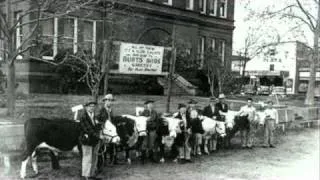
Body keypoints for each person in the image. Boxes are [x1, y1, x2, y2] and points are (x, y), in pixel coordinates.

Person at [79, 100, 102, 180]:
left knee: (94, 158)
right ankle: (85, 176)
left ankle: (92, 175)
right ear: (86, 107)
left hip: (95, 141)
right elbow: (88, 130)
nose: (92, 108)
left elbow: (97, 126)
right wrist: (99, 136)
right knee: (87, 158)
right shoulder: (83, 117)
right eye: (90, 106)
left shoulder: (94, 116)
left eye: (93, 106)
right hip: (87, 140)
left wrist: (100, 128)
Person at [97, 94, 115, 167]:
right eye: (108, 101)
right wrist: (102, 125)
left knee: (112, 144)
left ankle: (112, 160)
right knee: (103, 145)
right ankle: (103, 161)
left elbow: (112, 120)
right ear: (105, 101)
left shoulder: (111, 110)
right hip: (104, 130)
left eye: (111, 101)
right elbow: (97, 119)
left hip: (111, 130)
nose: (110, 102)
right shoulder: (101, 110)